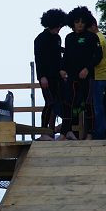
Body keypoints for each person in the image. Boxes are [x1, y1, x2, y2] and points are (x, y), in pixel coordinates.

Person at [63, 7, 102, 140]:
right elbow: (66, 57)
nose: (79, 24)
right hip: (72, 77)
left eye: (82, 21)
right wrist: (62, 69)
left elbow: (98, 56)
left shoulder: (92, 37)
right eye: (77, 21)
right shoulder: (68, 38)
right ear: (72, 23)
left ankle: (90, 134)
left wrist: (87, 69)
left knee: (88, 104)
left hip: (88, 77)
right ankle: (66, 131)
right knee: (69, 103)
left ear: (86, 22)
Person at [34, 8, 68, 140]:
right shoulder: (40, 39)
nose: (59, 28)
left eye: (60, 26)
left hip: (57, 76)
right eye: (57, 26)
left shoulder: (57, 38)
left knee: (59, 103)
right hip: (46, 77)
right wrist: (42, 76)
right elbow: (39, 59)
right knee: (49, 103)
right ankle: (43, 132)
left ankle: (52, 131)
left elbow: (58, 56)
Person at [87, 13, 106, 140]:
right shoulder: (101, 37)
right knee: (98, 105)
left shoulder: (98, 39)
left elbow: (98, 59)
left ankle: (99, 133)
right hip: (103, 75)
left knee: (97, 107)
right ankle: (99, 131)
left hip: (99, 75)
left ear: (94, 26)